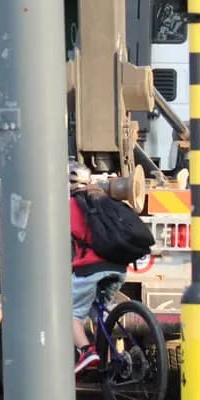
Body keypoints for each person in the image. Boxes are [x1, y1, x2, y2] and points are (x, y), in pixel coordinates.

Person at [69, 160, 133, 374]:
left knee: (69, 314)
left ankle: (87, 351)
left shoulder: (69, 206)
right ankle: (111, 357)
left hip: (91, 268)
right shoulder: (103, 201)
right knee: (99, 313)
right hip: (119, 266)